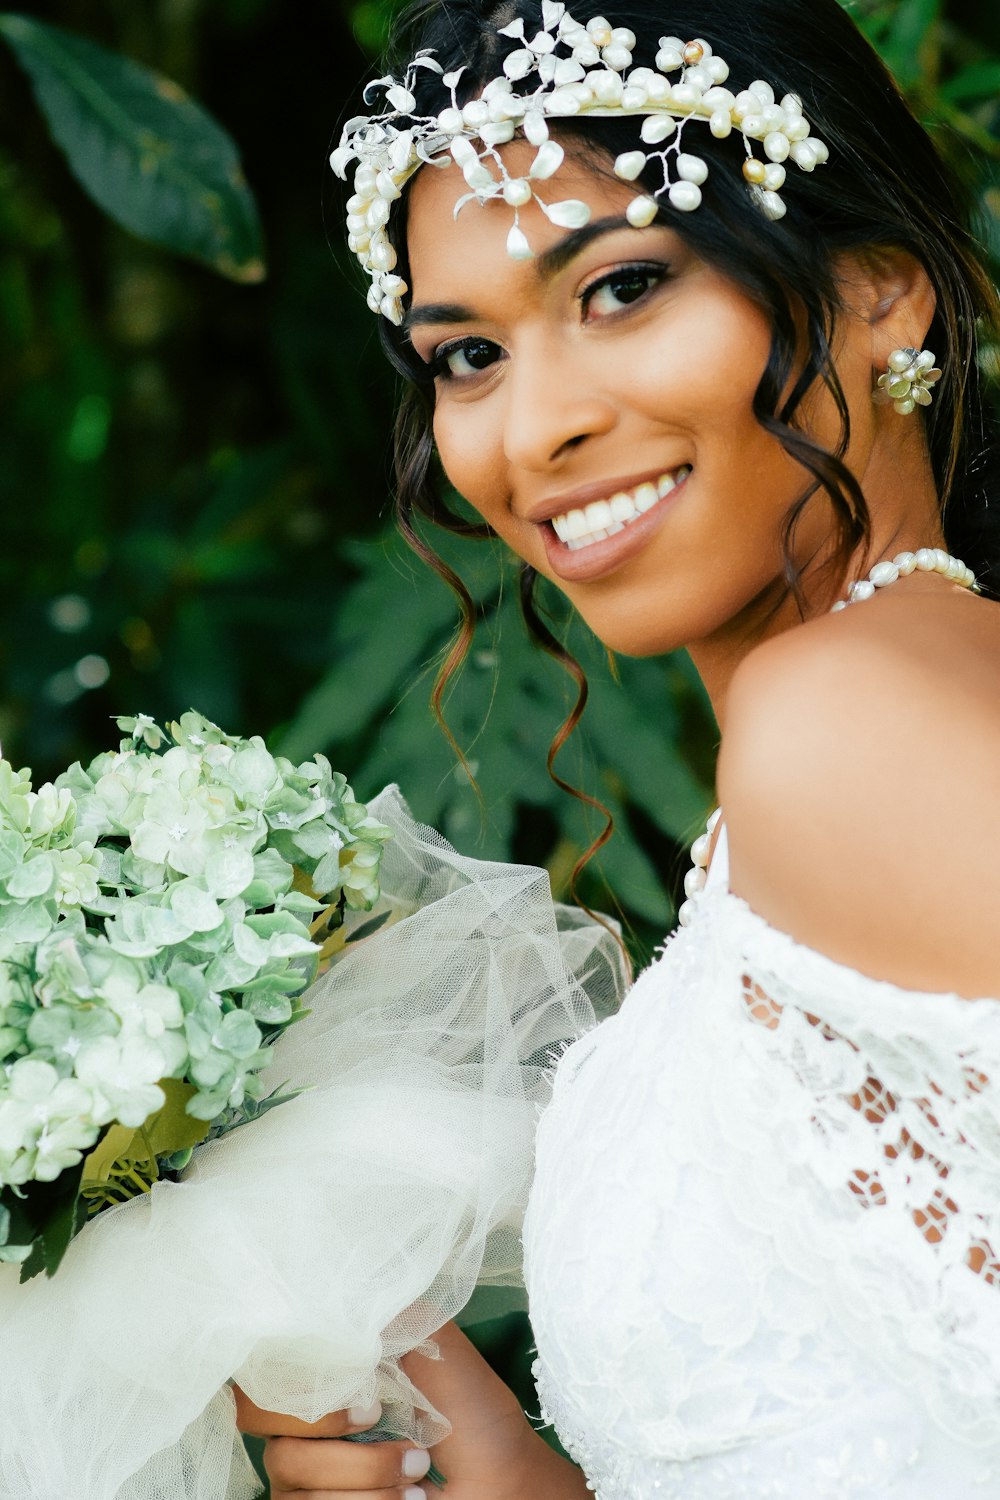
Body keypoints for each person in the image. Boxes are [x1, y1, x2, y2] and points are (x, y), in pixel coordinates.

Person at [237, 0, 1000, 1494]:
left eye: (623, 287)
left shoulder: (842, 727)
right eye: (463, 356)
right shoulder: (890, 702)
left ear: (880, 289)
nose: (535, 430)